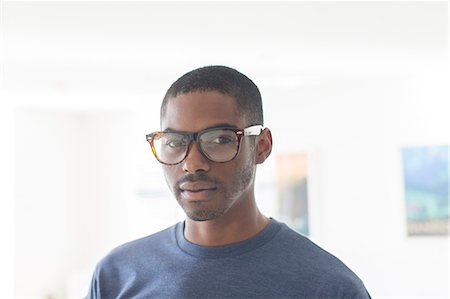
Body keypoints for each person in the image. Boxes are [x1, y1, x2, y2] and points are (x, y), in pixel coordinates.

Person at [86, 66, 371, 299]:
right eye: (175, 142)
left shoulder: (329, 287)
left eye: (219, 140)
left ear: (261, 146)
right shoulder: (116, 275)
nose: (192, 163)